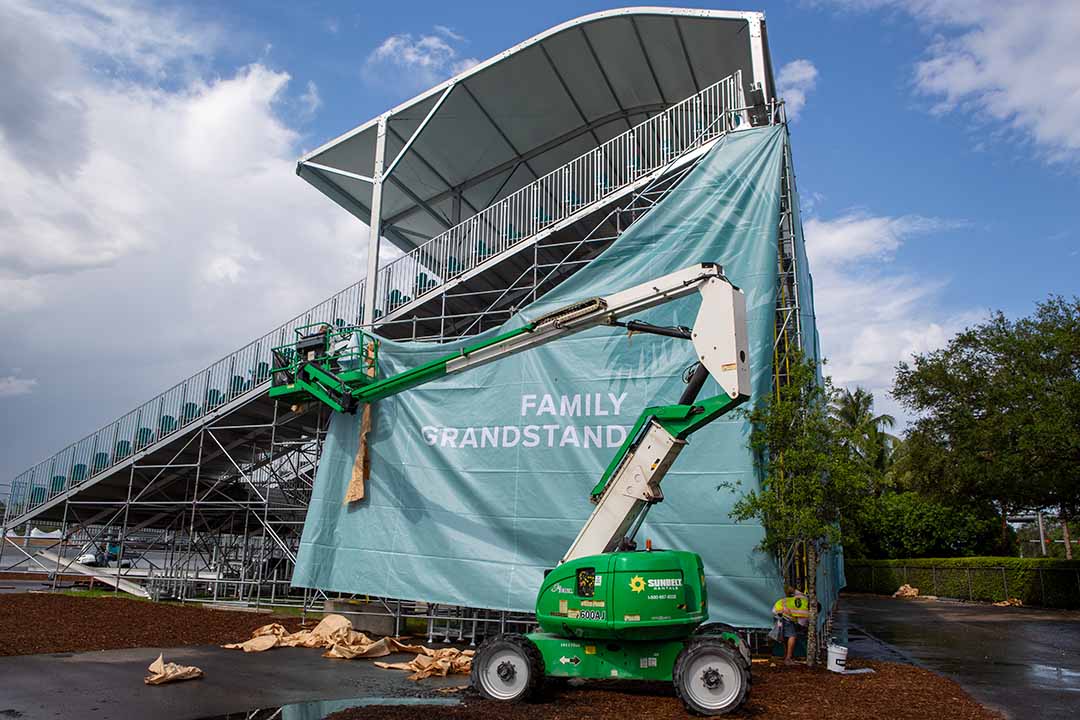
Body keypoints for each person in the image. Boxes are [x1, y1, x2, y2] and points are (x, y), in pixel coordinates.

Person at [772, 585, 810, 665]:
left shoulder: (804, 597)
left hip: (777, 608)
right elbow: (801, 625)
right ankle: (788, 659)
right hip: (783, 615)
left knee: (784, 635)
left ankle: (786, 655)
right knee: (792, 636)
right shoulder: (806, 614)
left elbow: (790, 588)